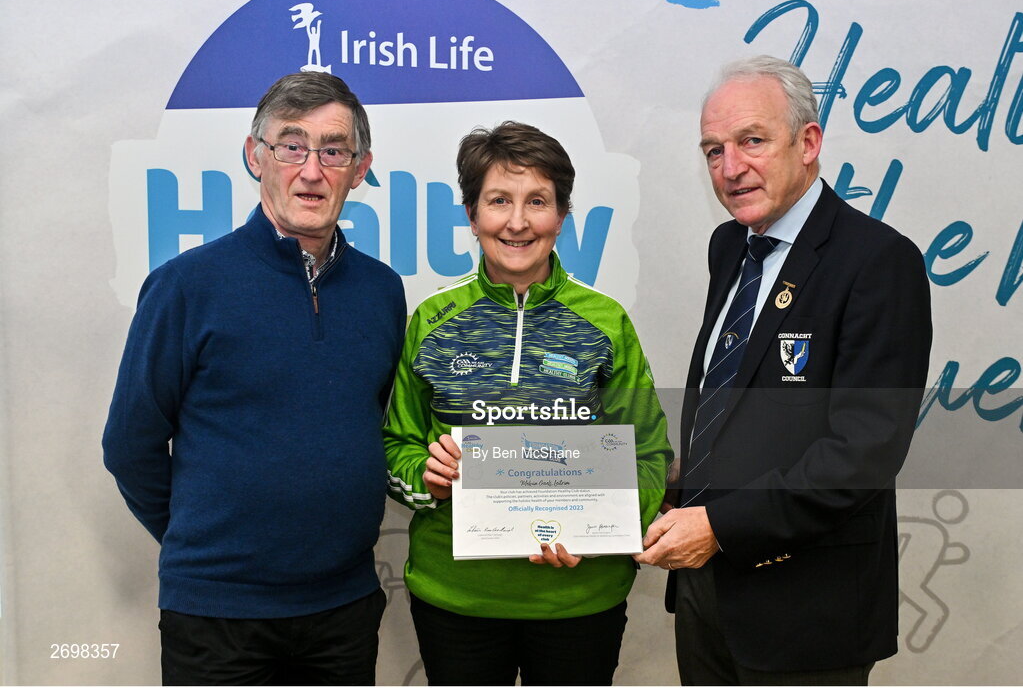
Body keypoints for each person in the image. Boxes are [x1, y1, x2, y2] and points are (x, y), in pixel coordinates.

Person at [634, 56, 932, 685]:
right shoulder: (729, 247)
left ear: (808, 142)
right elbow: (738, 410)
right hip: (706, 594)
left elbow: (864, 452)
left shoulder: (879, 261)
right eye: (713, 150)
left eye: (752, 141)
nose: (730, 168)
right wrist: (664, 482)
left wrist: (718, 526)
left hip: (807, 612)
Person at [102, 72, 406, 685]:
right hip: (218, 615)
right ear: (255, 156)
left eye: (333, 151)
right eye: (291, 146)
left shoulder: (382, 291)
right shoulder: (186, 286)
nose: (312, 170)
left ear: (360, 168)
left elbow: (368, 425)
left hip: (344, 608)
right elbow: (130, 445)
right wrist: (202, 542)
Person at [383, 121, 672, 686]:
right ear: (472, 216)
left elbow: (650, 456)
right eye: (499, 201)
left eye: (537, 201)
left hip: (578, 600)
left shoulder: (606, 322)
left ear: (561, 216)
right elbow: (397, 448)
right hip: (457, 599)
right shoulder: (432, 321)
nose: (517, 222)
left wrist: (599, 532)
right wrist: (428, 476)